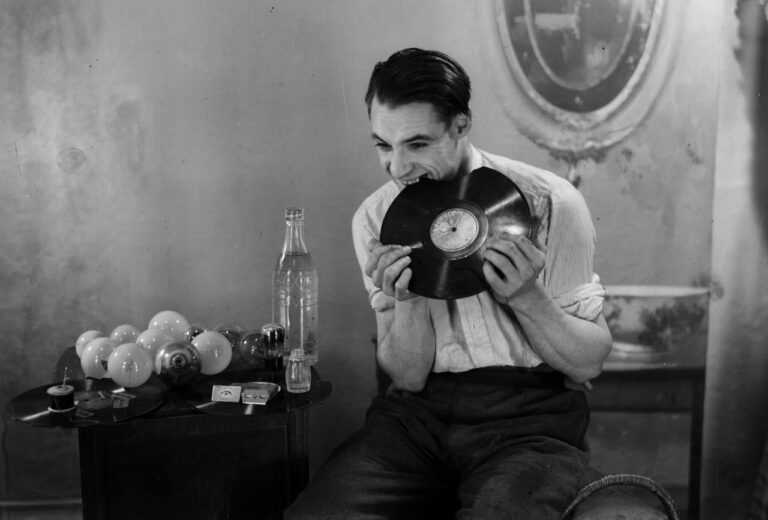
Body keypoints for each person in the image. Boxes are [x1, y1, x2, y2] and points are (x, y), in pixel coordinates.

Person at [285, 48, 612, 520]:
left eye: (417, 144)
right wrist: (408, 298)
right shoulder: (374, 219)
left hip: (530, 425)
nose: (397, 167)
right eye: (383, 145)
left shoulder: (551, 203)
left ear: (461, 125)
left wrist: (527, 295)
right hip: (415, 420)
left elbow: (588, 362)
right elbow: (407, 377)